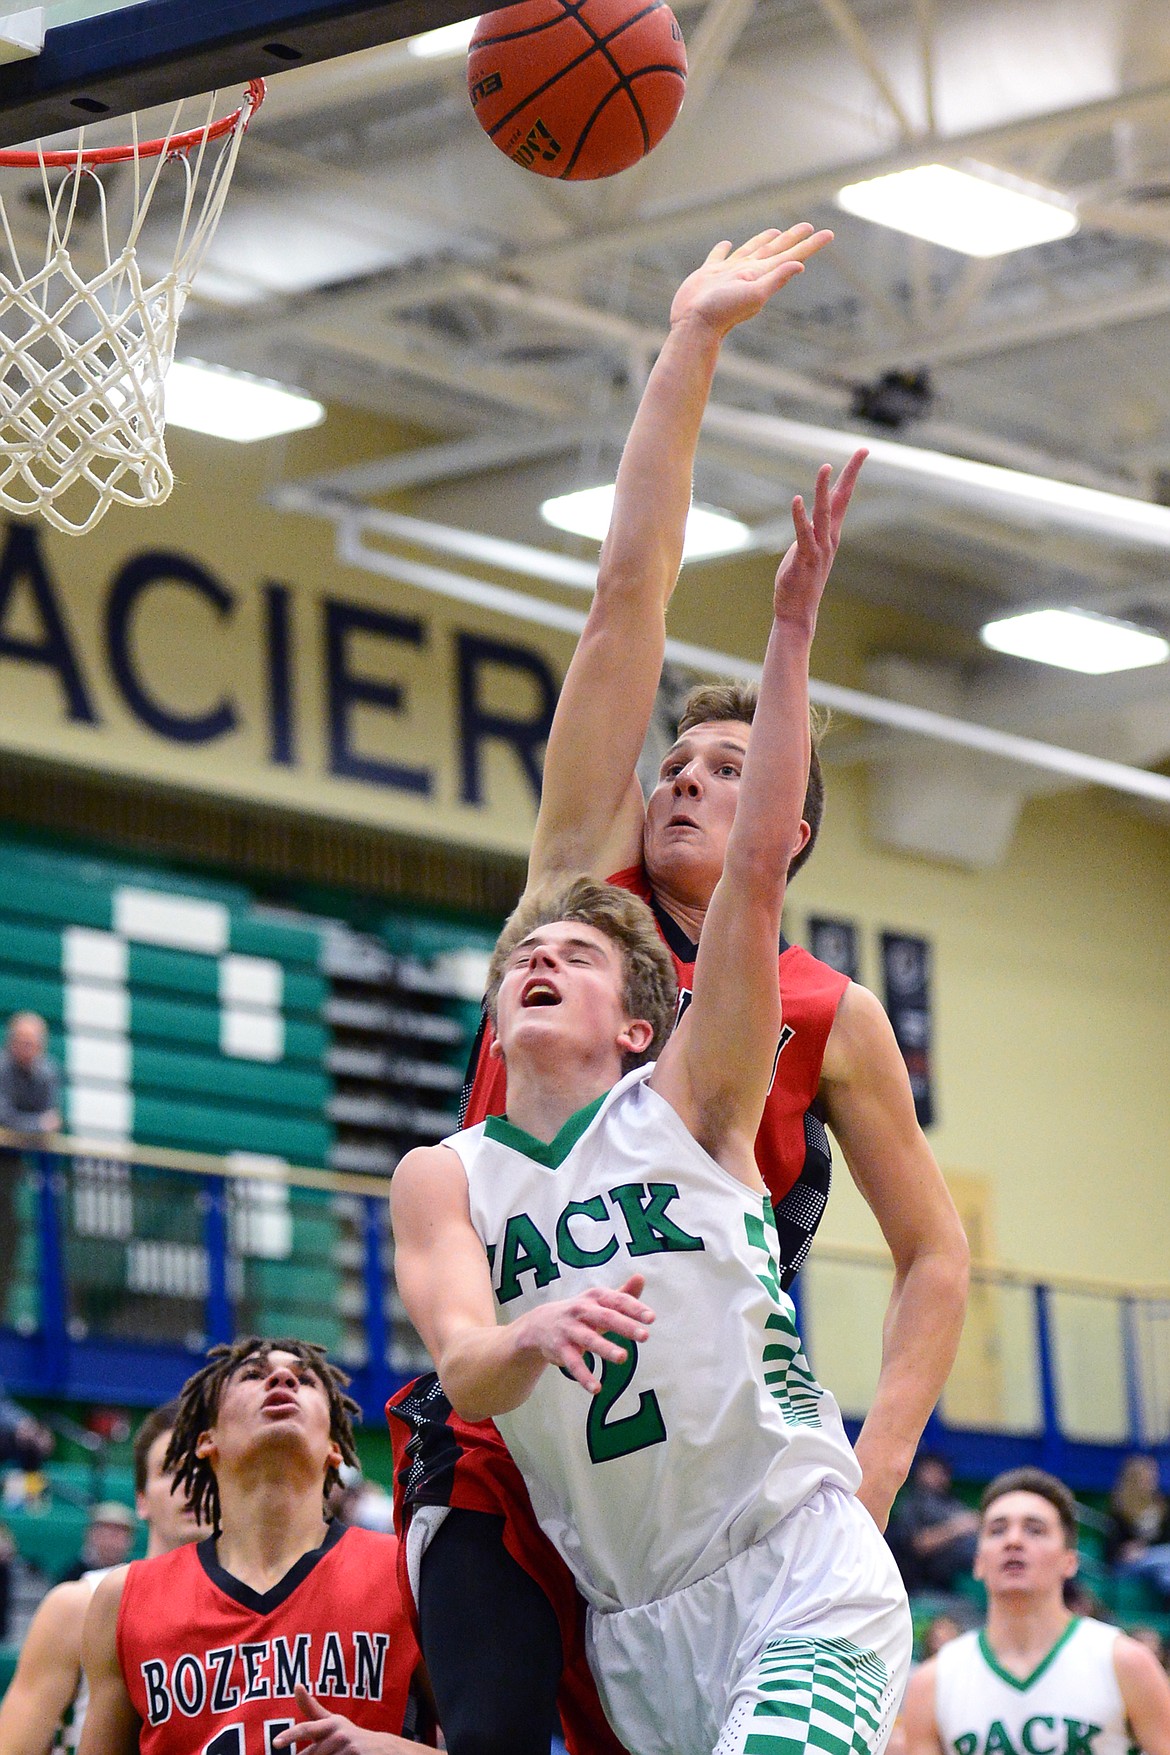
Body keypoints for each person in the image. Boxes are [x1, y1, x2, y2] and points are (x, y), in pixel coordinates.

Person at [388, 227, 969, 1755]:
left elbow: (933, 1255)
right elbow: (622, 599)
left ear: (780, 815)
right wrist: (687, 343)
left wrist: (877, 1467)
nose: (686, 784)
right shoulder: (574, 903)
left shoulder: (802, 1009)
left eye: (729, 768)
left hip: (710, 1422)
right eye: (675, 764)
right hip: (528, 1438)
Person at [78, 1337, 431, 1755]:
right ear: (207, 1440)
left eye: (304, 1379)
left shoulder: (408, 1570)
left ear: (334, 1449)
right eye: (252, 1375)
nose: (282, 1378)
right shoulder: (123, 1601)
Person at [902, 1466, 1170, 1755]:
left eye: (1034, 1529)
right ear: (978, 1561)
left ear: (1070, 1560)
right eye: (997, 1530)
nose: (1013, 1541)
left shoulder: (1127, 1662)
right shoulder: (932, 1682)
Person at [0, 1400, 205, 1755]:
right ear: (141, 1499)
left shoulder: (263, 1609)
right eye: (171, 1470)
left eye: (206, 1470)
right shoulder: (79, 1603)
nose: (191, 1484)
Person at [0, 1011, 60, 1318]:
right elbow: (4, 1119)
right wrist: (36, 1126)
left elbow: (54, 1121)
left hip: (12, 1176)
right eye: (20, 1041)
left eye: (32, 1043)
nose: (25, 1048)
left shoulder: (47, 1073)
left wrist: (30, 1128)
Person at [888, 1454, 981, 1594]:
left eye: (940, 1472)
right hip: (928, 1580)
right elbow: (919, 1543)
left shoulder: (952, 1501)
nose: (936, 1476)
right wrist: (958, 1527)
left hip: (972, 1568)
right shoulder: (912, 1504)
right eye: (930, 1471)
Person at [1104, 1455, 1170, 1603]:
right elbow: (1109, 1550)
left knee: (1165, 1572)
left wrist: (1146, 1548)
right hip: (1126, 1564)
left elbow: (1165, 1540)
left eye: (1153, 1476)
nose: (1152, 1481)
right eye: (1146, 1478)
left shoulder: (1161, 1506)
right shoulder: (1118, 1509)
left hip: (1155, 1562)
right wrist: (1125, 1550)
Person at [57, 1500, 136, 1582]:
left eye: (120, 1532)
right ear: (91, 1533)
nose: (113, 1538)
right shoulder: (72, 1574)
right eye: (107, 1530)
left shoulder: (133, 1574)